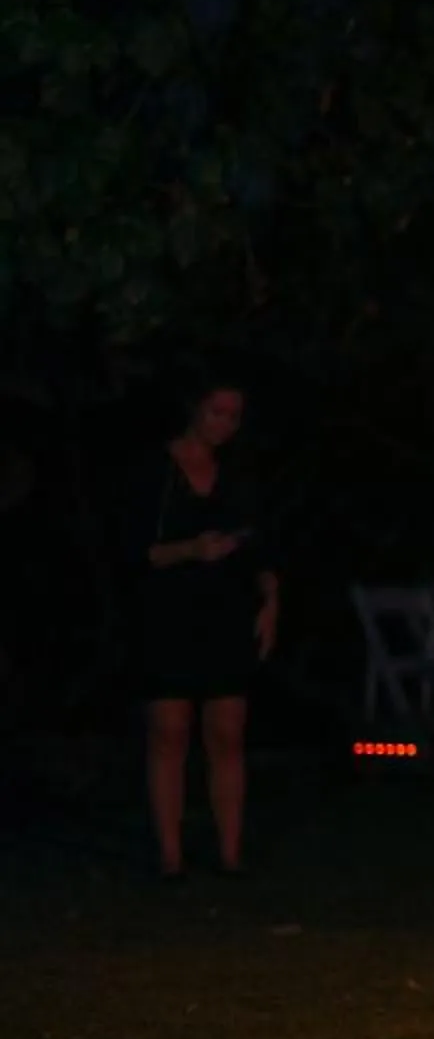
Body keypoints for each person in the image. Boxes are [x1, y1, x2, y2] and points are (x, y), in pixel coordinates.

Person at [133, 375, 277, 880]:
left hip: (225, 610)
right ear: (195, 408)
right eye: (217, 412)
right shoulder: (156, 468)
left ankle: (230, 854)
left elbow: (259, 542)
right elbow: (135, 550)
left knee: (227, 731)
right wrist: (191, 550)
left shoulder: (237, 473)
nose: (225, 425)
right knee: (169, 731)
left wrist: (269, 599)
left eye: (234, 416)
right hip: (169, 612)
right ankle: (170, 857)